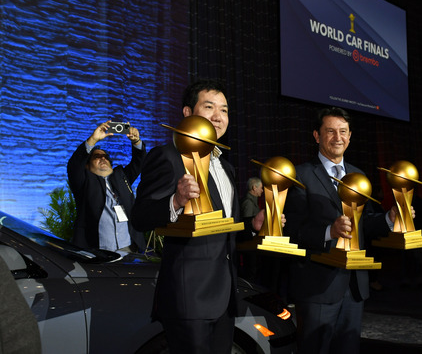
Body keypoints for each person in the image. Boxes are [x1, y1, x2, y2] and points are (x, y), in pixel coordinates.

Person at [132, 79, 264, 354]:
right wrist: (176, 201)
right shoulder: (167, 156)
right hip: (188, 299)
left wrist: (253, 226)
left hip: (225, 299)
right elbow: (141, 216)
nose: (219, 116)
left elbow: (224, 233)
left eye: (225, 110)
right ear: (187, 113)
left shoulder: (226, 167)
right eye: (209, 107)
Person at [283, 107, 395, 353]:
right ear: (316, 135)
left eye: (343, 131)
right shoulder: (300, 175)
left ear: (350, 136)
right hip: (317, 288)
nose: (338, 137)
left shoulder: (358, 175)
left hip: (354, 288)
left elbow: (364, 223)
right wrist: (328, 232)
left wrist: (390, 218)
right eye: (330, 131)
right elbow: (291, 229)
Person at [67, 121, 146, 252]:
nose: (103, 159)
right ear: (87, 165)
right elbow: (74, 166)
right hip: (98, 251)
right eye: (97, 156)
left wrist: (136, 141)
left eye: (105, 157)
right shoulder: (84, 182)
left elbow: (140, 163)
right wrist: (93, 140)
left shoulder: (121, 176)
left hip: (128, 249)